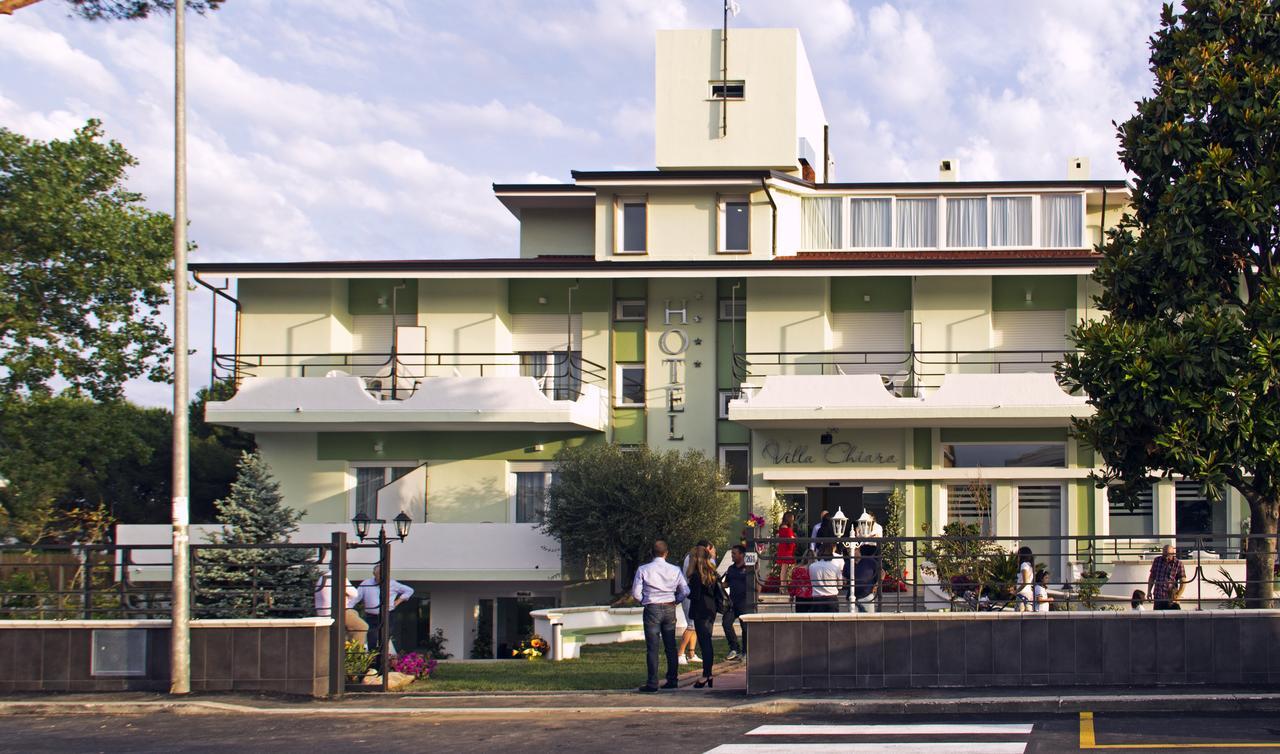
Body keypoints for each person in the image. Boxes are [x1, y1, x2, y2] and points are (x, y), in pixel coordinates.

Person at [632, 539, 689, 692]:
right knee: (670, 646)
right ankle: (672, 679)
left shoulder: (643, 569)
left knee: (652, 647)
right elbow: (685, 591)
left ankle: (652, 682)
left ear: (651, 553)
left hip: (652, 608)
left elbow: (636, 593)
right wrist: (676, 600)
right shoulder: (675, 570)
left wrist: (645, 600)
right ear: (666, 553)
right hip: (670, 607)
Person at [355, 564, 413, 658]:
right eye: (378, 574)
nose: (381, 576)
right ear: (374, 574)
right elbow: (356, 597)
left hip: (387, 615)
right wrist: (347, 608)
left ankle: (382, 662)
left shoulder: (392, 583)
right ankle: (372, 662)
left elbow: (409, 590)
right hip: (371, 616)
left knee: (384, 639)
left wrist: (398, 601)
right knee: (372, 639)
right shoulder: (366, 583)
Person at [685, 545, 724, 688]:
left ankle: (706, 674)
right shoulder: (712, 573)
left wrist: (686, 590)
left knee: (704, 642)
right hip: (710, 609)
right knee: (707, 640)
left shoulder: (695, 576)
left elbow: (693, 595)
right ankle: (708, 673)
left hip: (700, 610)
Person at [677, 540, 711, 666]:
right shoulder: (693, 560)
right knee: (691, 625)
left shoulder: (690, 557)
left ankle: (691, 652)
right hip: (690, 595)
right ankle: (680, 653)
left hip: (692, 594)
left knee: (694, 625)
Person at [315, 569, 368, 647]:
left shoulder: (322, 577)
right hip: (337, 611)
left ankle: (346, 646)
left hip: (322, 612)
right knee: (362, 626)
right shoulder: (339, 576)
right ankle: (356, 654)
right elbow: (354, 593)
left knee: (353, 613)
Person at [721, 545, 751, 661]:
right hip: (732, 602)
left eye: (734, 553)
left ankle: (745, 652)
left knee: (745, 628)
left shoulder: (749, 568)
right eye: (732, 553)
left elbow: (756, 583)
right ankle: (734, 648)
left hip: (745, 602)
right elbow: (726, 583)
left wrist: (756, 596)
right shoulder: (731, 568)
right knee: (726, 623)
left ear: (742, 555)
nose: (732, 556)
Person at [1147, 545, 1186, 610]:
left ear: (1172, 554)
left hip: (1171, 599)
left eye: (1168, 555)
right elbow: (1152, 577)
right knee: (1158, 618)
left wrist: (1178, 596)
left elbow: (1183, 582)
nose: (1165, 557)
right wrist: (1149, 592)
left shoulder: (1178, 563)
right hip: (1158, 597)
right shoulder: (1157, 560)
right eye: (1164, 555)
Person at [808, 544, 844, 612]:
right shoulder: (835, 567)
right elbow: (840, 585)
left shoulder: (812, 567)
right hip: (832, 598)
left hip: (817, 599)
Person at [852, 544, 881, 613]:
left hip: (866, 595)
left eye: (856, 550)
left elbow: (881, 573)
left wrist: (876, 585)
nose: (853, 552)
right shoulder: (849, 563)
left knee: (869, 618)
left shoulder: (870, 562)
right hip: (854, 596)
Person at [776, 512, 797, 591]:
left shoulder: (783, 527)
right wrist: (793, 539)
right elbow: (790, 540)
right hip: (786, 550)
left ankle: (783, 586)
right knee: (784, 568)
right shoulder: (786, 528)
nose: (793, 519)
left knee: (784, 568)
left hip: (785, 549)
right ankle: (783, 586)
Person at [1015, 547, 1035, 612]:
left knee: (1019, 616)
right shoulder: (1030, 566)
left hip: (1022, 594)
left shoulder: (1024, 565)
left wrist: (1016, 591)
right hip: (1029, 594)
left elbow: (1025, 582)